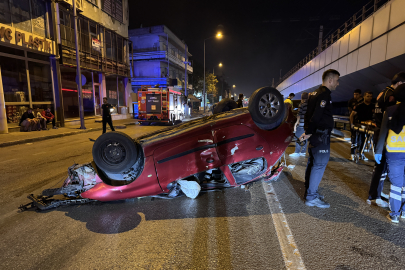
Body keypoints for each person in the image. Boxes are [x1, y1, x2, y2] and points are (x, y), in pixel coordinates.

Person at [300, 69, 340, 208]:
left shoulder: (314, 93)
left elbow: (307, 114)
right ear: (330, 80)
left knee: (312, 163)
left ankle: (310, 192)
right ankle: (311, 197)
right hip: (320, 135)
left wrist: (307, 131)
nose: (338, 83)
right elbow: (317, 115)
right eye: (336, 80)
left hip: (315, 134)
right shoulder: (324, 94)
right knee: (319, 165)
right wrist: (310, 132)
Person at [368, 72, 405, 207]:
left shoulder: (383, 92)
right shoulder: (392, 96)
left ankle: (376, 192)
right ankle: (374, 195)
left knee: (381, 167)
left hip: (380, 131)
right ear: (400, 83)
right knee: (381, 167)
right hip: (386, 135)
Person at [374, 84, 405, 223]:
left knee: (396, 184)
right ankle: (404, 212)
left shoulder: (390, 110)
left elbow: (383, 132)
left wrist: (378, 150)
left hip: (394, 152)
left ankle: (394, 214)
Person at [349, 91, 375, 161]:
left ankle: (361, 153)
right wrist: (352, 124)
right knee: (355, 139)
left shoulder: (373, 106)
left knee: (364, 139)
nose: (369, 98)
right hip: (359, 123)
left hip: (368, 124)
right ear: (364, 96)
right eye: (368, 96)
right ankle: (353, 153)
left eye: (371, 96)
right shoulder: (359, 106)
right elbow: (352, 115)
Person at [290, 92, 309, 157]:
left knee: (297, 137)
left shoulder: (302, 104)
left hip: (301, 124)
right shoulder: (310, 104)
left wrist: (296, 124)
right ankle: (303, 152)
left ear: (302, 98)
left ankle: (297, 152)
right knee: (305, 138)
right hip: (307, 125)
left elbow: (299, 115)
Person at [348, 89, 364, 160]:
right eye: (354, 94)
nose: (355, 96)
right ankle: (352, 153)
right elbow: (349, 108)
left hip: (361, 122)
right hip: (353, 121)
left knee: (362, 138)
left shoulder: (363, 101)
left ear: (360, 94)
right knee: (353, 138)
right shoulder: (351, 101)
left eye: (357, 94)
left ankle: (360, 153)